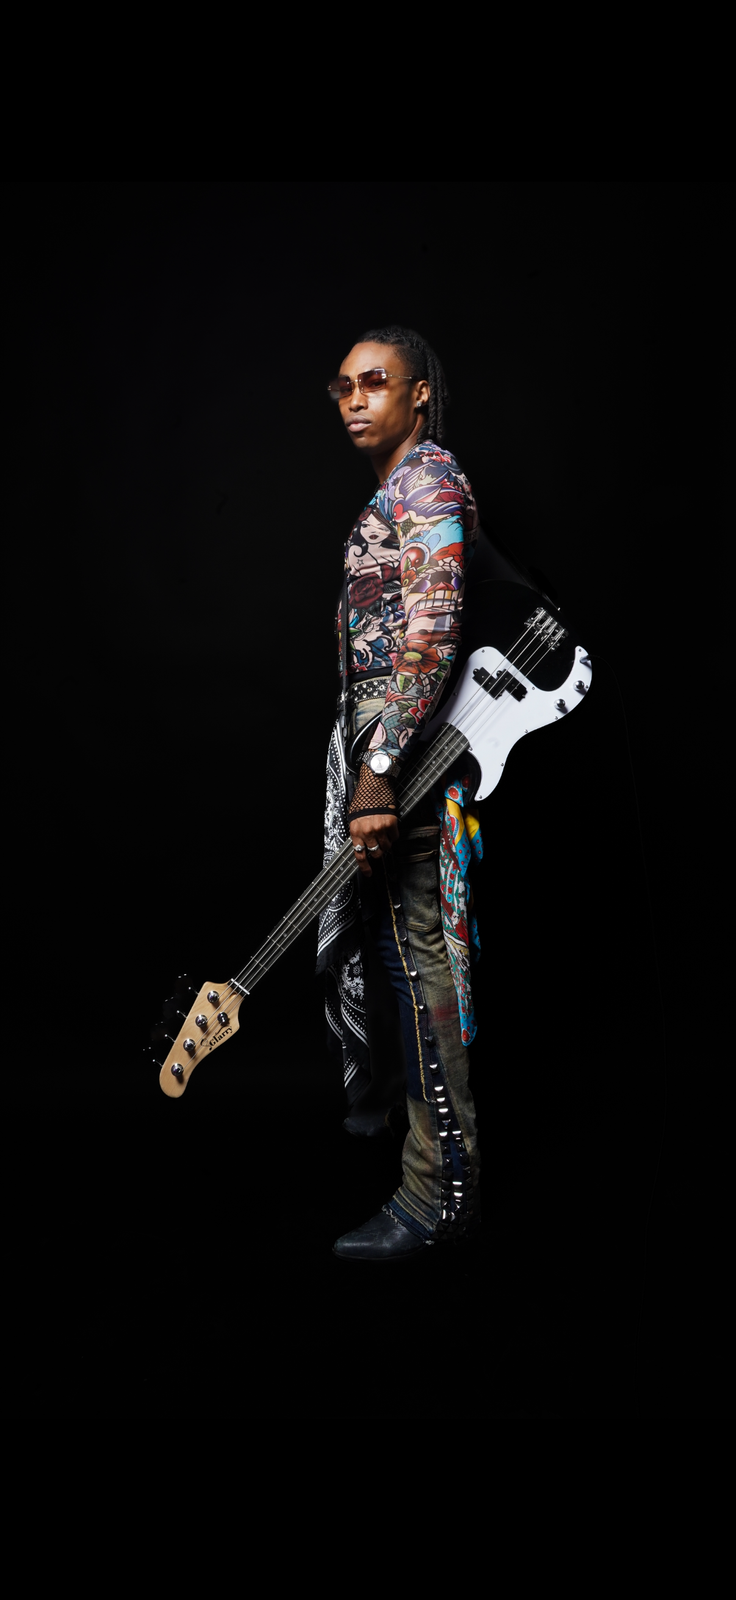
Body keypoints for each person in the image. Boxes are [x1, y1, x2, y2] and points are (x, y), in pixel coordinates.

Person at [318, 325, 484, 1262]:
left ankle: (438, 1196)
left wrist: (379, 770)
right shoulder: (400, 488)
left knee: (425, 978)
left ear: (419, 393)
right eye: (342, 386)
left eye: (374, 382)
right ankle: (414, 1154)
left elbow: (433, 630)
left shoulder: (428, 481)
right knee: (395, 965)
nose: (354, 399)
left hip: (407, 772)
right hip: (388, 767)